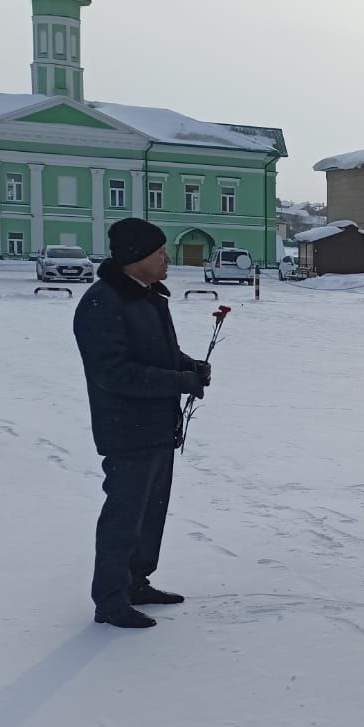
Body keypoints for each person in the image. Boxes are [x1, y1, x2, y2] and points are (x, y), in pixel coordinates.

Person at [73, 218, 212, 629]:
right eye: (159, 252)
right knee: (124, 515)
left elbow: (158, 352)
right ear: (135, 257)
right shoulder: (103, 303)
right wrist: (178, 381)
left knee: (150, 513)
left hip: (156, 425)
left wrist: (189, 366)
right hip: (126, 430)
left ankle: (136, 581)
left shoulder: (147, 296)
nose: (167, 259)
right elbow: (112, 373)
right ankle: (111, 599)